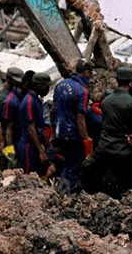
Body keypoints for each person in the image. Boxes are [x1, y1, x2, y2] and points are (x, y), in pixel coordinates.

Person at [93, 67, 132, 197]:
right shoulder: (131, 102)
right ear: (131, 83)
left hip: (107, 147)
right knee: (128, 184)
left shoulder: (106, 101)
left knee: (112, 183)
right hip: (125, 149)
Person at [52, 59, 94, 194]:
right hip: (73, 135)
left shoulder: (60, 85)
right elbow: (80, 119)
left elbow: (53, 110)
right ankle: (63, 195)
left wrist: (53, 133)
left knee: (65, 164)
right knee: (72, 167)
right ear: (86, 72)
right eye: (90, 74)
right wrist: (86, 141)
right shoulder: (82, 91)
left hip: (59, 133)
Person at [17, 73, 53, 176]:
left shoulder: (35, 99)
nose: (47, 89)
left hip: (35, 144)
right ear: (39, 86)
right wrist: (41, 151)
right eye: (46, 86)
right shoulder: (29, 101)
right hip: (29, 146)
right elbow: (31, 128)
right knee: (29, 175)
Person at [0, 67, 24, 143]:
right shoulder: (3, 99)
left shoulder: (15, 93)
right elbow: (8, 127)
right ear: (10, 81)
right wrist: (10, 149)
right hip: (13, 138)